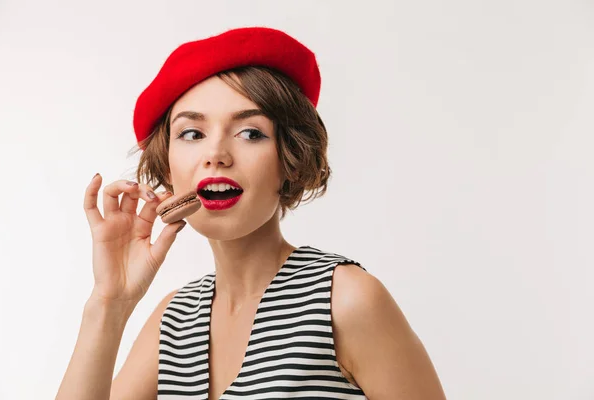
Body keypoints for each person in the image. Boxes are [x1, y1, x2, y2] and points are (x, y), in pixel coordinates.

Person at [56, 27, 447, 400]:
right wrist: (110, 301)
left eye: (251, 133)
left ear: (289, 159)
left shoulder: (345, 300)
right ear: (167, 167)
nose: (216, 154)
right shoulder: (174, 321)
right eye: (192, 133)